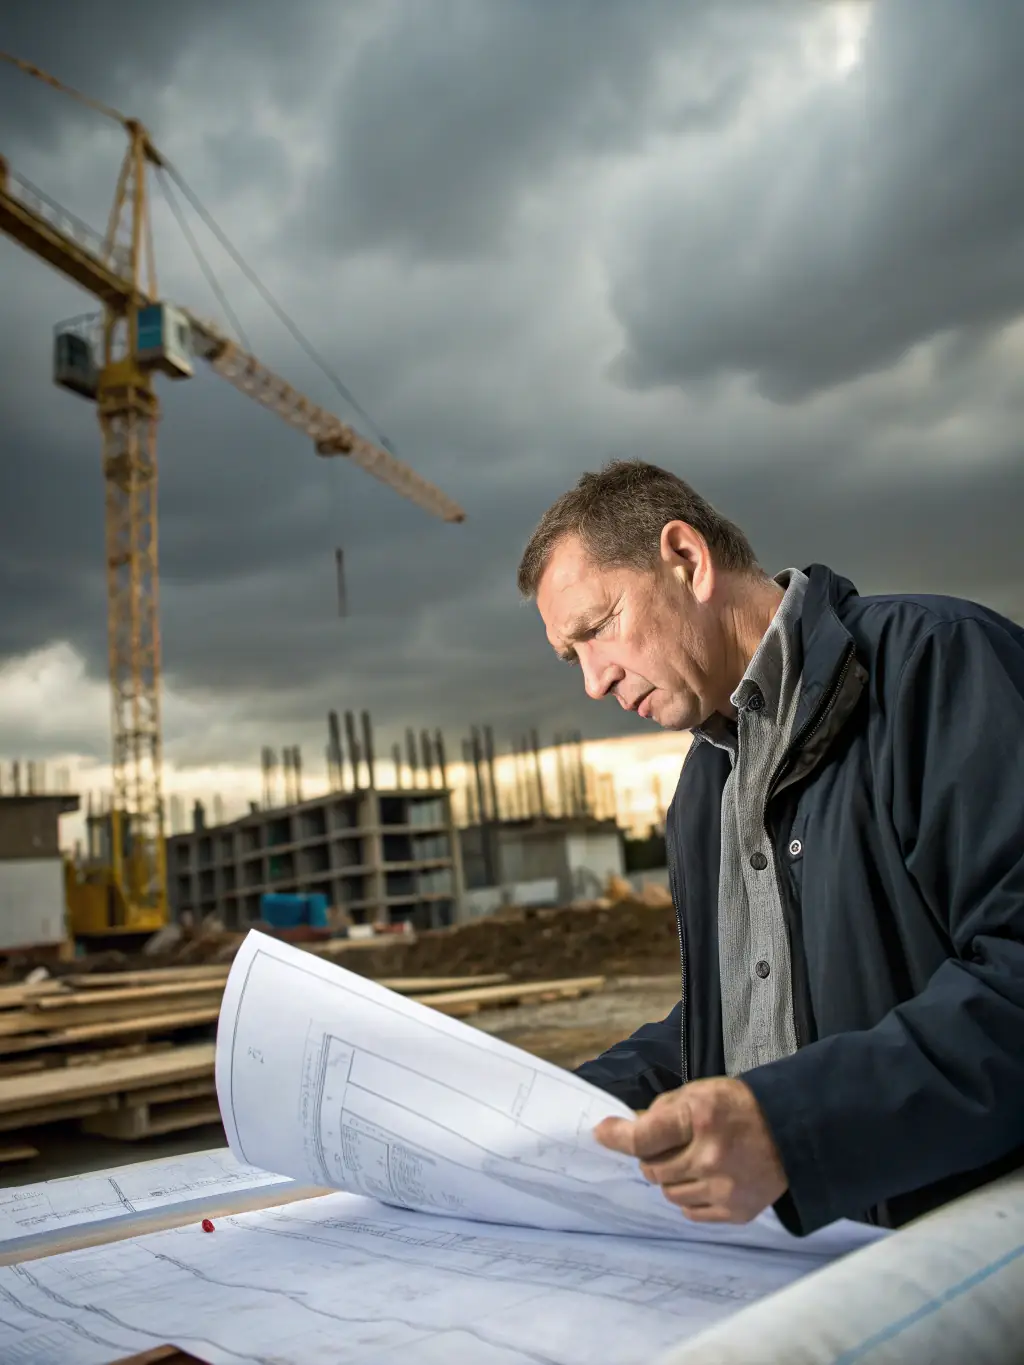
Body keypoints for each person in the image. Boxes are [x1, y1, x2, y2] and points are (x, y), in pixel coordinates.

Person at [516, 458, 1024, 1236]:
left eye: (597, 628)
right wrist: (546, 1104)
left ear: (686, 558)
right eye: (571, 657)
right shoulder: (702, 790)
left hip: (966, 1261)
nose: (594, 682)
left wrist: (796, 1126)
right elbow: (732, 1021)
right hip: (812, 1261)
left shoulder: (938, 667)